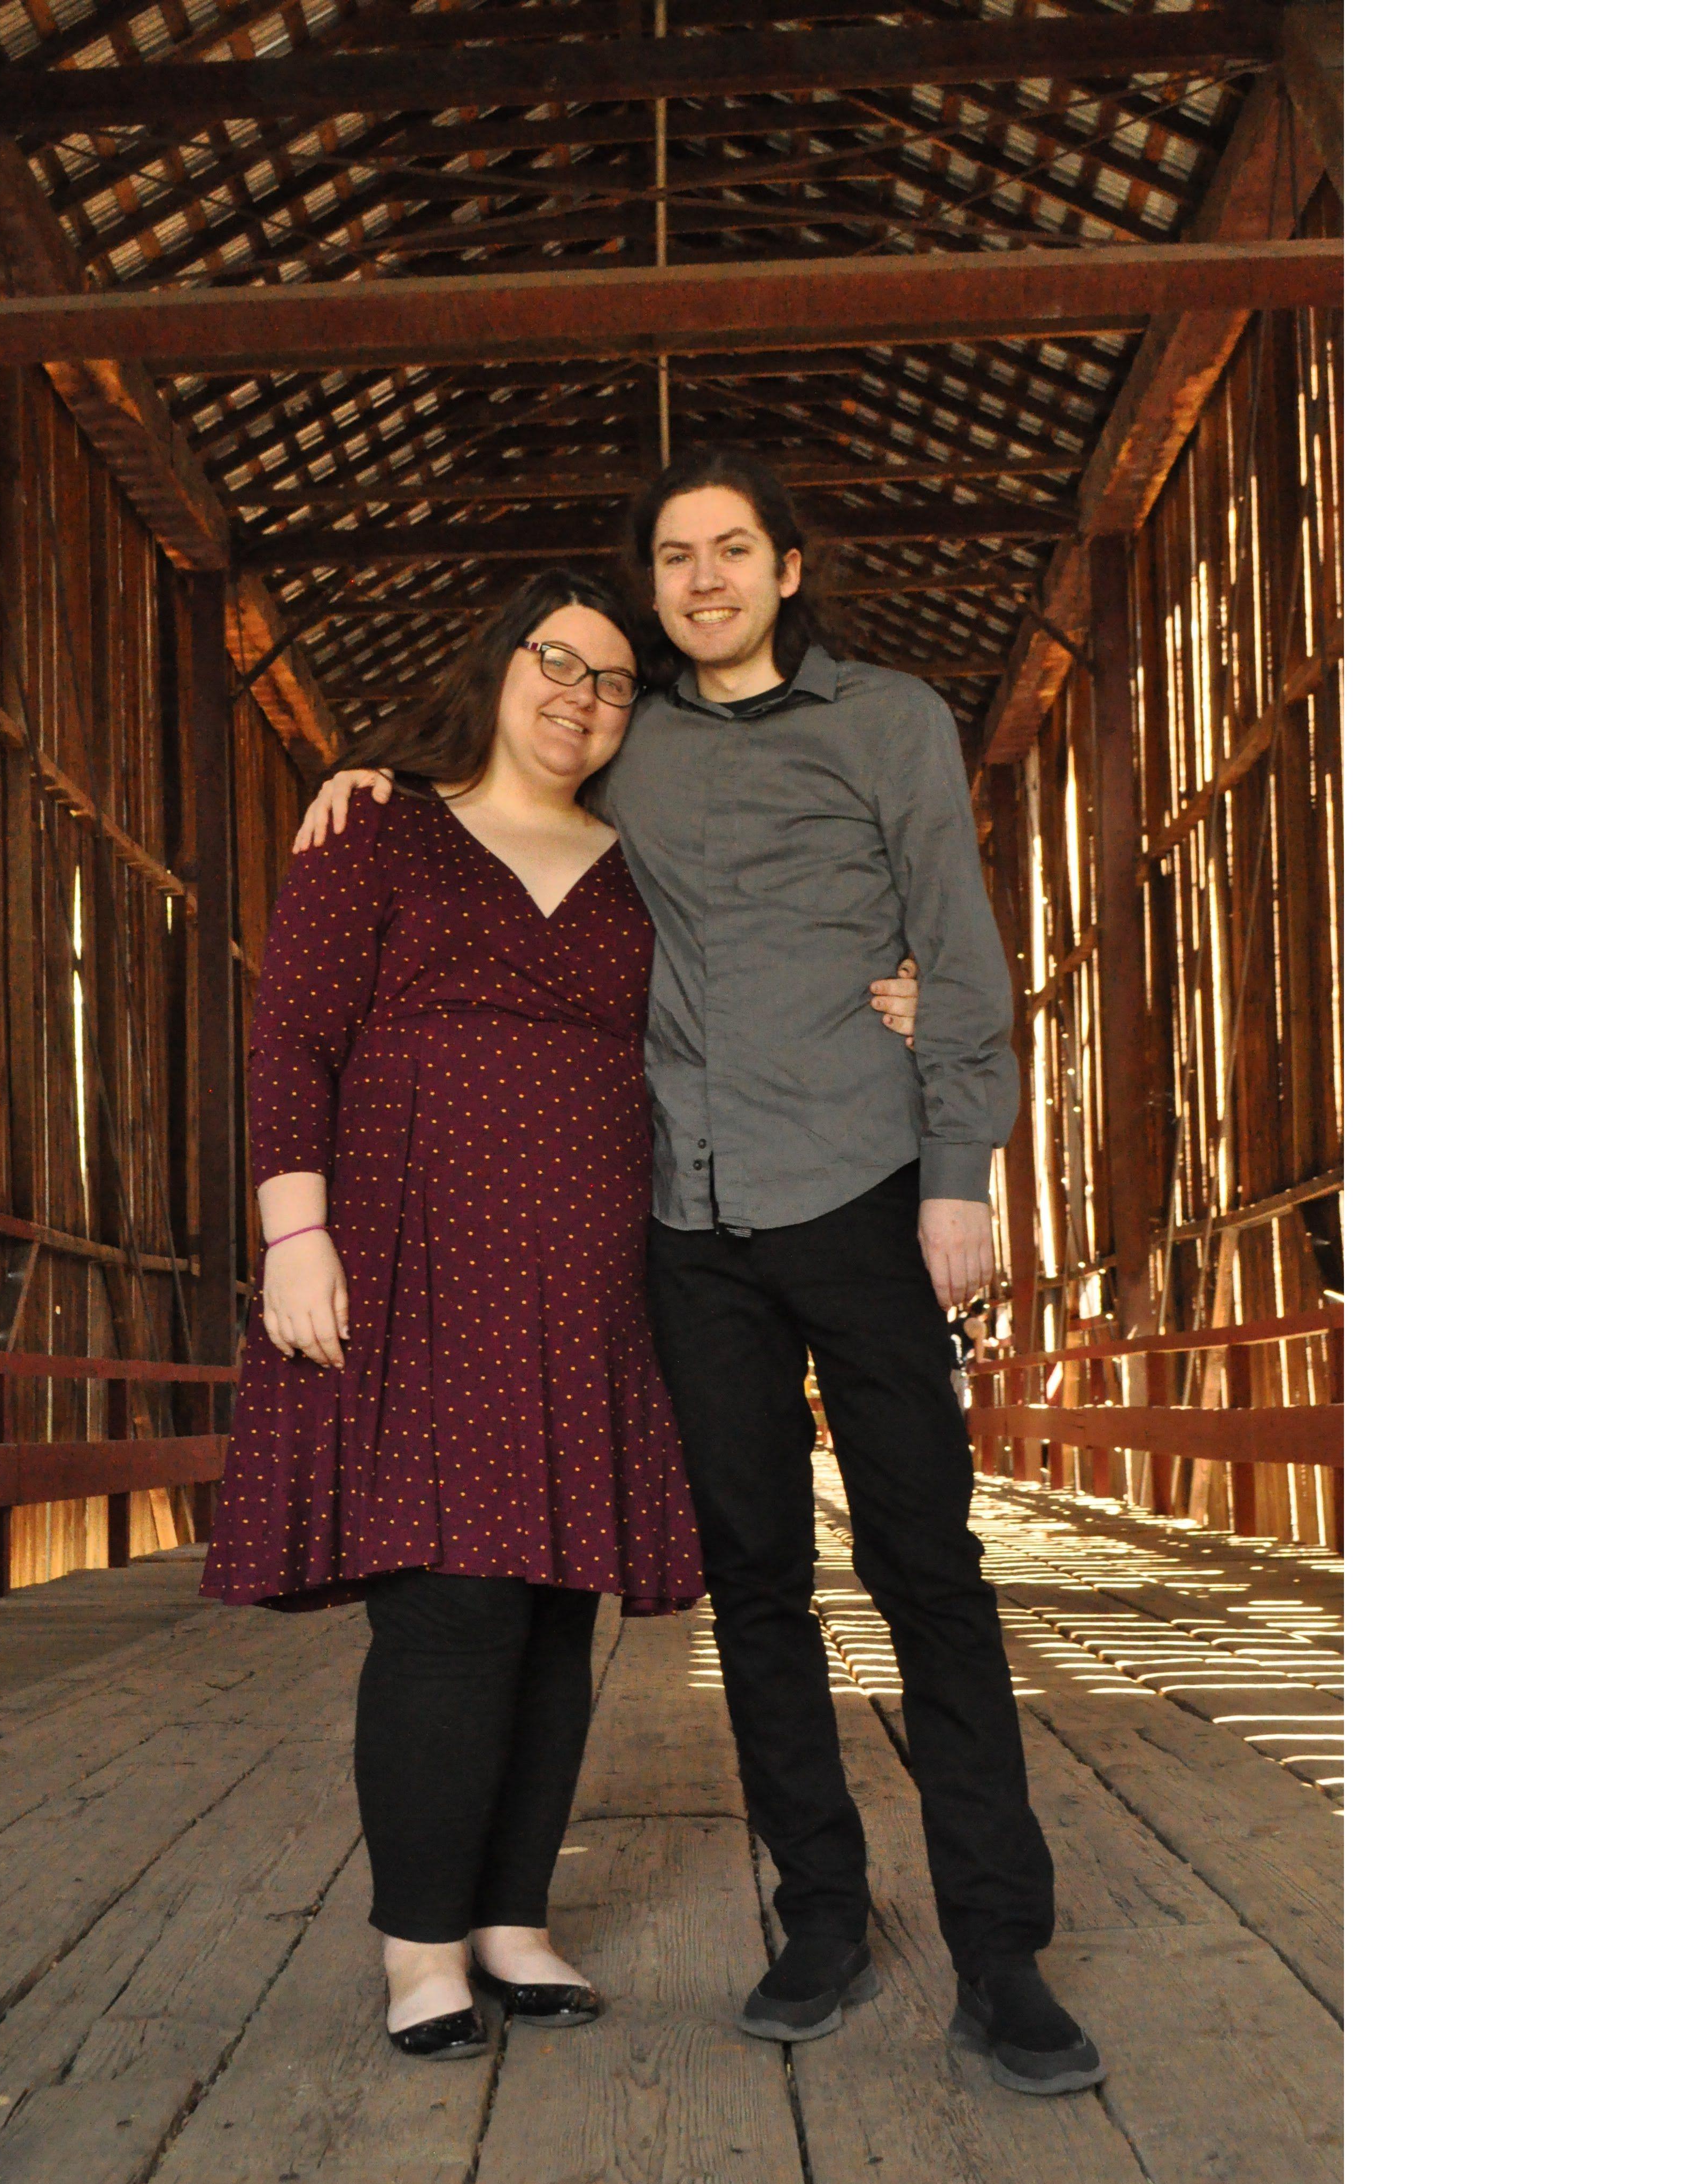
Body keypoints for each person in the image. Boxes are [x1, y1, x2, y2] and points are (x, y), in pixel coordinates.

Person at [294, 447, 1104, 2097]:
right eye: (676, 557)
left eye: (736, 550)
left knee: (925, 1572)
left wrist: (964, 1172)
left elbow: (955, 947)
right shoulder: (625, 737)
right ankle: (818, 1917)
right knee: (756, 1589)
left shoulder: (892, 724)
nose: (706, 580)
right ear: (651, 584)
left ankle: (1001, 1951)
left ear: (790, 568)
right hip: (687, 1226)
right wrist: (363, 771)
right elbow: (495, 784)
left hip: (864, 1195)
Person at [205, 565, 921, 2064]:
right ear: (500, 663)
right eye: (558, 662)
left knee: (548, 1609)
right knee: (449, 1606)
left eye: (612, 683)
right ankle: (420, 1944)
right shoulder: (379, 833)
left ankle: (513, 1921)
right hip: (408, 1261)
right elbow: (295, 1040)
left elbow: (759, 993)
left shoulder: (640, 863)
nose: (581, 698)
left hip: (592, 1275)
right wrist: (294, 1231)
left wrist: (900, 989)